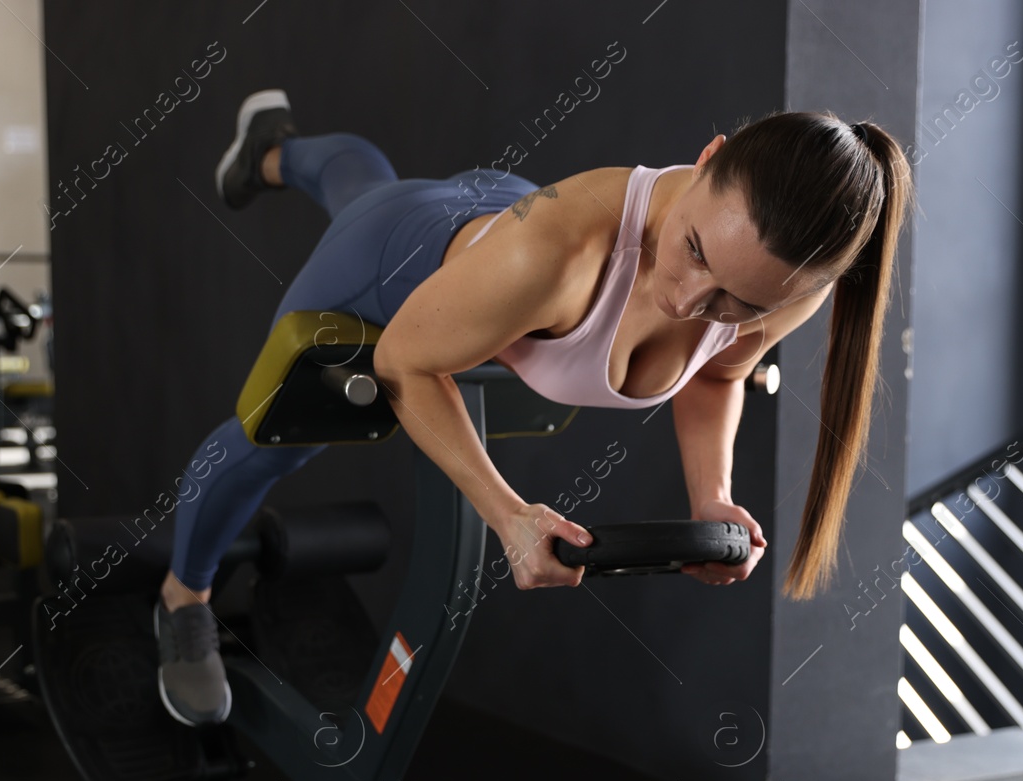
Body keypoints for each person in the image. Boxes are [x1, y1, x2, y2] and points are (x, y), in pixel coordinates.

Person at [154, 88, 911, 727]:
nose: (688, 302)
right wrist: (509, 513)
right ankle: (183, 596)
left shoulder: (783, 290)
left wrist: (711, 496)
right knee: (278, 433)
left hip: (495, 227)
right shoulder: (556, 253)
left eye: (732, 301)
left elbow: (717, 377)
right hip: (395, 264)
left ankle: (272, 147)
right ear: (708, 157)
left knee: (369, 187)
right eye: (695, 253)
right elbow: (404, 364)